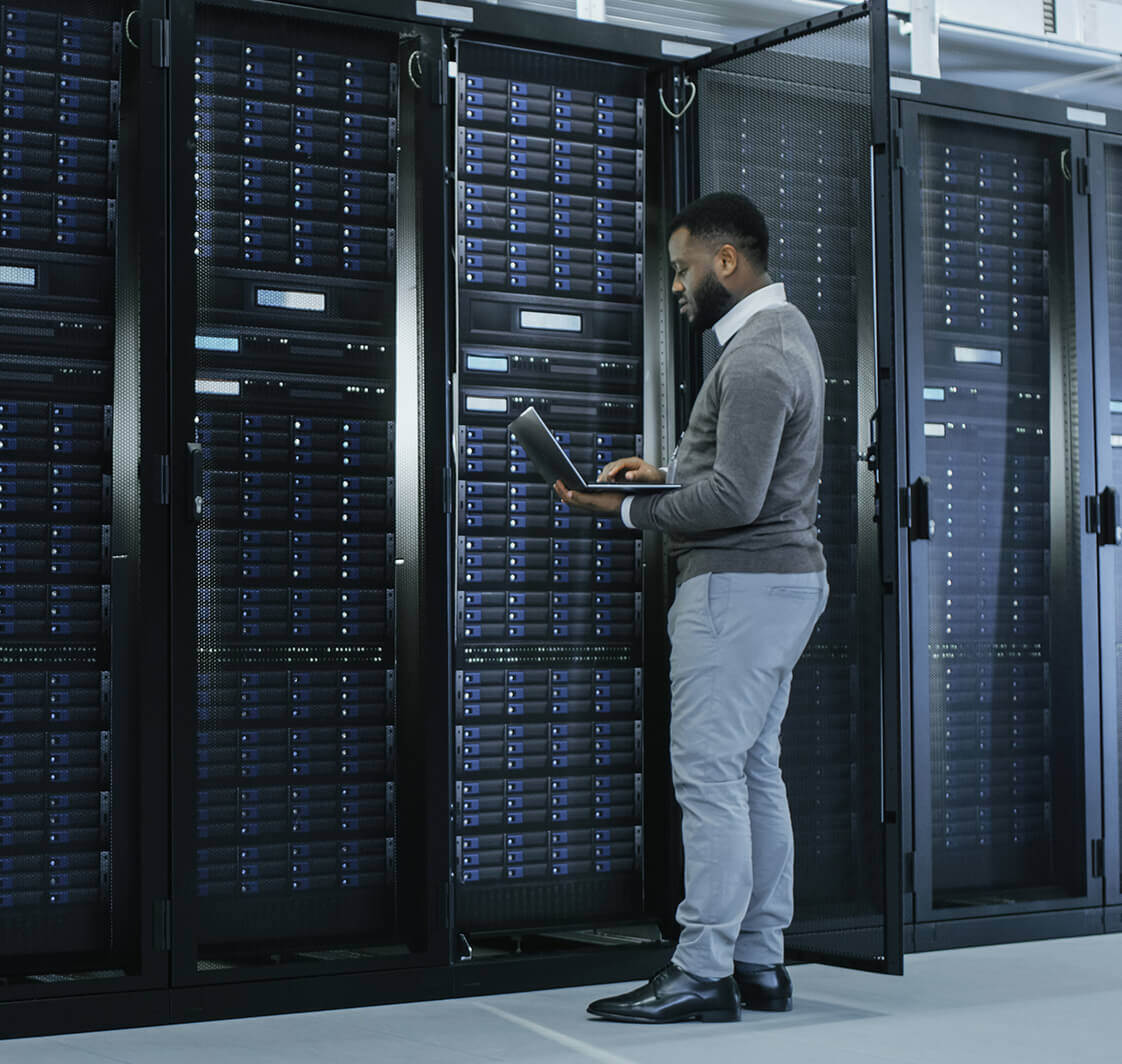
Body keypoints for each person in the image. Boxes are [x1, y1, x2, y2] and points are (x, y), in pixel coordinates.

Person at [555, 192, 829, 1024]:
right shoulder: (788, 336)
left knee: (709, 776)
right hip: (778, 586)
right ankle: (759, 960)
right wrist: (665, 476)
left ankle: (702, 968)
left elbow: (737, 498)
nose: (675, 285)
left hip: (738, 588)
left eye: (681, 268)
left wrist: (627, 509)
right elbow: (740, 478)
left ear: (725, 262)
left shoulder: (755, 356)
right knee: (751, 770)